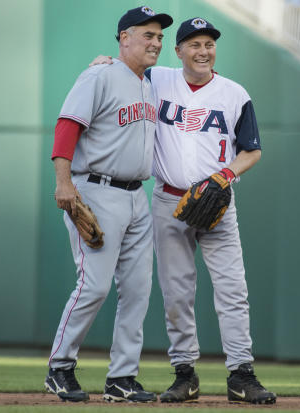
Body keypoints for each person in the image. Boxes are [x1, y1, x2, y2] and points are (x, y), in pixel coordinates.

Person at [91, 17, 276, 405]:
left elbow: (252, 150)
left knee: (233, 290)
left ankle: (241, 373)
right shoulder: (158, 80)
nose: (203, 51)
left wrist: (224, 175)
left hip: (218, 202)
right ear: (178, 51)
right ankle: (185, 374)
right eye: (194, 45)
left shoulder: (233, 93)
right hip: (169, 201)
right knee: (176, 293)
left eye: (209, 44)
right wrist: (103, 63)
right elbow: (124, 70)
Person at [44, 6, 172, 403]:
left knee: (137, 291)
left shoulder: (149, 84)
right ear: (123, 38)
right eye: (147, 34)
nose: (155, 42)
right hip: (96, 190)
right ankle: (60, 367)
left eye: (159, 37)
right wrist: (64, 184)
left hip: (137, 197)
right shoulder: (99, 75)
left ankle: (122, 378)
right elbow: (68, 125)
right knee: (94, 285)